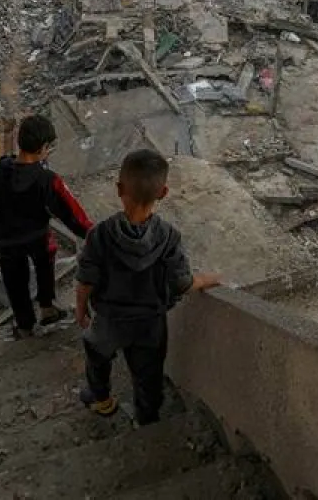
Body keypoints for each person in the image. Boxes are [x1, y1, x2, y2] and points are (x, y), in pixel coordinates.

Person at [74, 149, 220, 425]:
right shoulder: (168, 237)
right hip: (150, 324)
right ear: (163, 192)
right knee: (149, 373)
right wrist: (208, 279)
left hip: (108, 320)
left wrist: (81, 309)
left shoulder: (100, 235)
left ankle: (101, 399)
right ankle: (147, 416)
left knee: (97, 356)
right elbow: (181, 284)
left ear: (119, 189)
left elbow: (85, 280)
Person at [0, 114, 94, 337]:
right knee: (45, 267)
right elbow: (71, 213)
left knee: (14, 282)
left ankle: (24, 325)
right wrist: (91, 232)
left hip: (4, 240)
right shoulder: (47, 179)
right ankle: (47, 308)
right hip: (37, 238)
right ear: (43, 147)